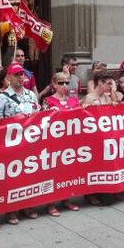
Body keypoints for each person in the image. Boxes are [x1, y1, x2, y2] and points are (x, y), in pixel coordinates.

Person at [0, 62, 40, 224]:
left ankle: (27, 205)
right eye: (17, 74)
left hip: (29, 142)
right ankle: (11, 210)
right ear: (9, 77)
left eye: (22, 74)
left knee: (28, 174)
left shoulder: (30, 95)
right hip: (12, 143)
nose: (21, 77)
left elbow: (38, 115)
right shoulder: (2, 97)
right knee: (12, 176)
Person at [42, 72, 80, 216]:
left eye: (66, 82)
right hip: (54, 144)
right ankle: (51, 203)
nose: (64, 86)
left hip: (70, 144)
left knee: (68, 172)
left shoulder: (73, 101)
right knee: (53, 173)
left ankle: (66, 198)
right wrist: (49, 113)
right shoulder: (48, 101)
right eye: (61, 83)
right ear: (54, 85)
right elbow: (42, 121)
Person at [81, 72, 114, 206]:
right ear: (100, 82)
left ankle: (102, 191)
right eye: (109, 83)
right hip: (93, 139)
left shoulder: (107, 98)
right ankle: (90, 194)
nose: (111, 86)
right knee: (92, 167)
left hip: (105, 139)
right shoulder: (89, 98)